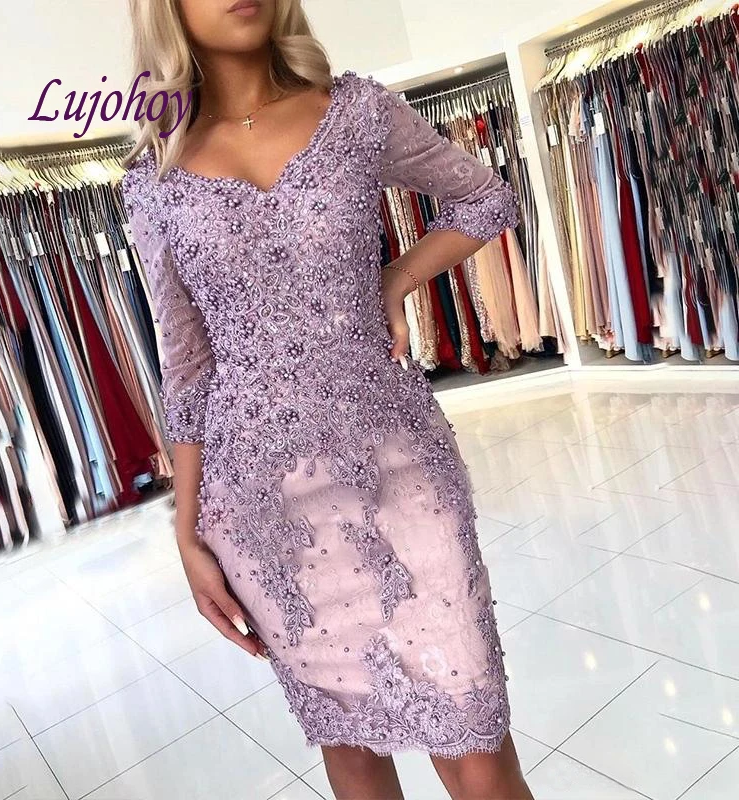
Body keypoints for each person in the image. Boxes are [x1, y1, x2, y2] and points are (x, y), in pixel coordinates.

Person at [122, 1, 534, 798]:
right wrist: (188, 532)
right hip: (260, 506)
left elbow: (487, 199)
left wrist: (395, 278)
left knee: (477, 746)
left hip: (400, 470)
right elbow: (187, 370)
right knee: (351, 753)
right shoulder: (154, 180)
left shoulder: (356, 112)